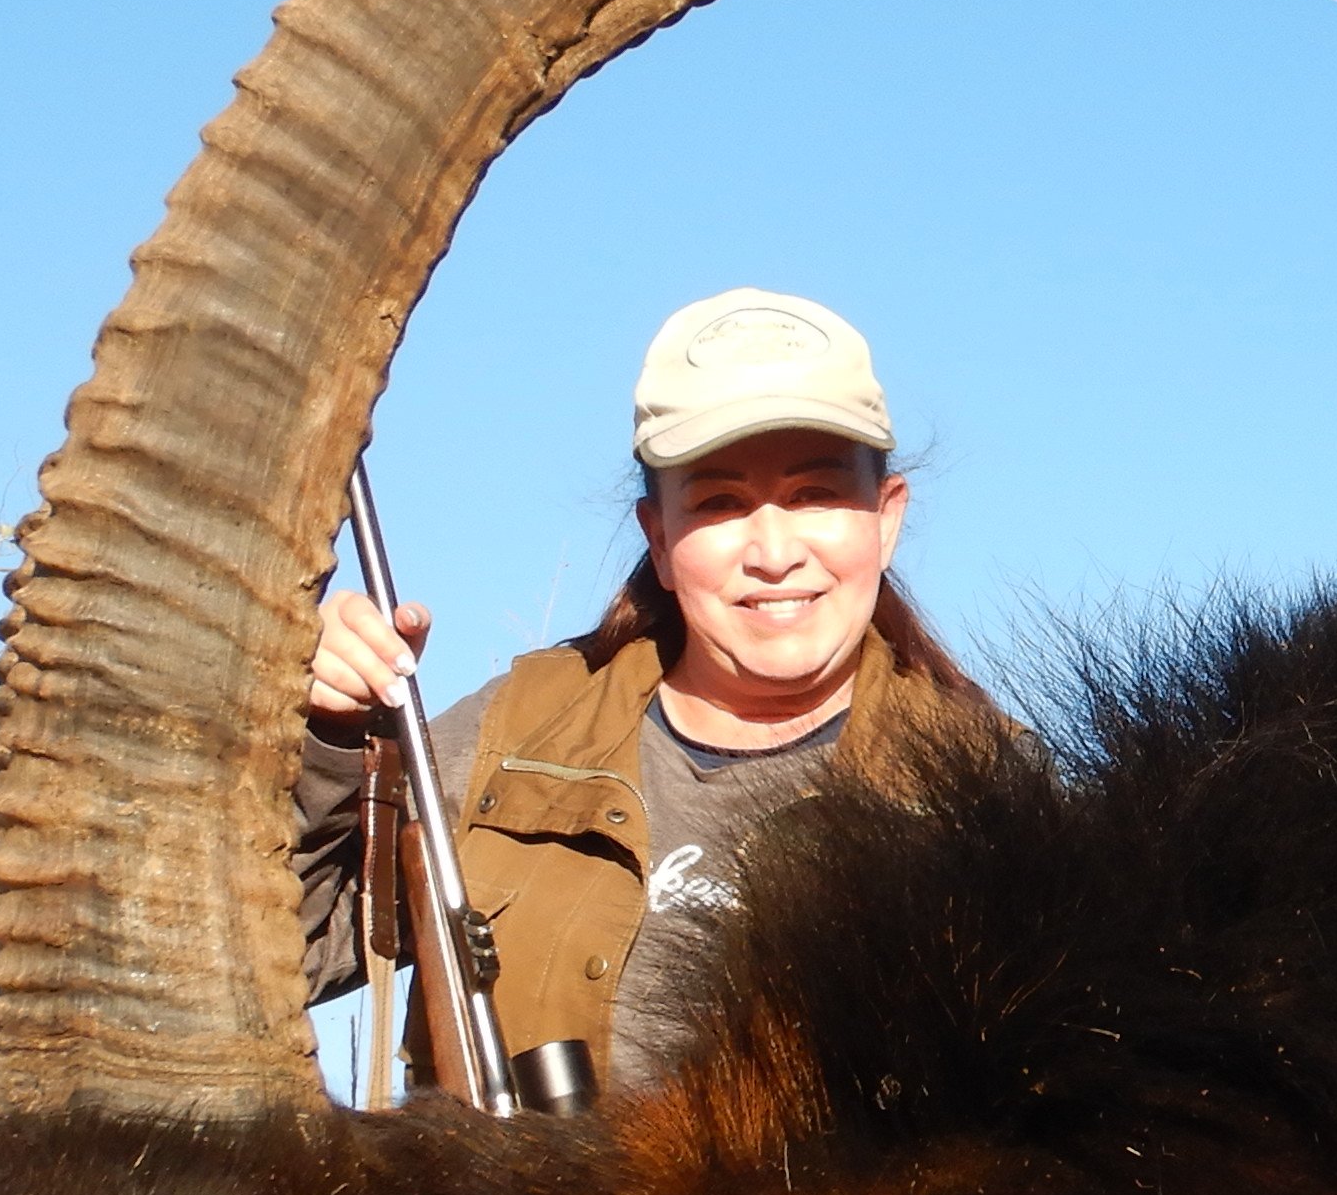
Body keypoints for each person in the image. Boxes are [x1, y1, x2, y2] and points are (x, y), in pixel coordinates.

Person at [292, 287, 989, 1097]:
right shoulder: (515, 729)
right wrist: (330, 738)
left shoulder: (990, 787)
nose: (773, 551)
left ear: (887, 516)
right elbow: (300, 949)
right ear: (659, 538)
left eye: (816, 495)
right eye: (720, 503)